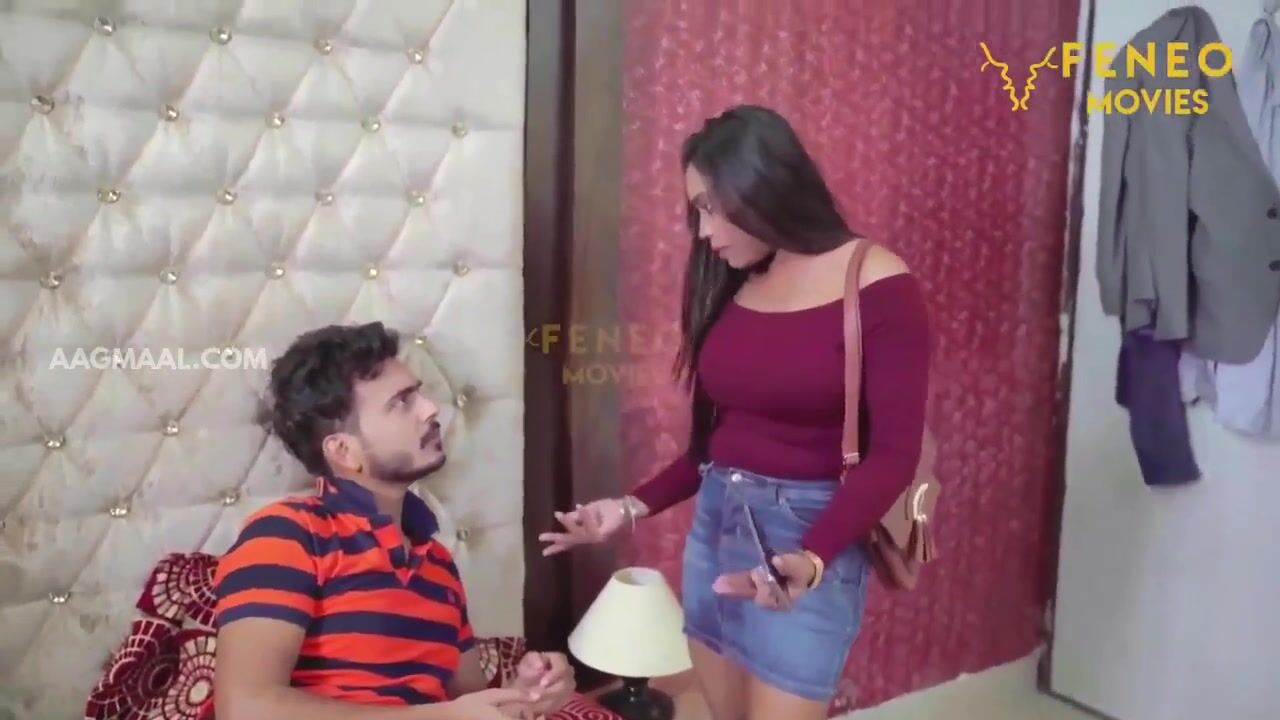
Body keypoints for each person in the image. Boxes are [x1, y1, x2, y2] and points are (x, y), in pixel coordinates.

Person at [539, 105, 931, 720]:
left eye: (711, 208)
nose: (702, 232)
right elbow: (710, 449)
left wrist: (812, 556)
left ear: (763, 188)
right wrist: (628, 507)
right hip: (717, 530)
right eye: (694, 211)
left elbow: (893, 456)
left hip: (811, 534)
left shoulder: (877, 283)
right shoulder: (731, 281)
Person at [212, 322, 576, 720]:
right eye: (401, 402)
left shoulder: (437, 564)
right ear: (344, 451)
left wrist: (524, 696)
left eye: (418, 393)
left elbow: (469, 706)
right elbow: (244, 708)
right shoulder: (288, 534)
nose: (430, 409)